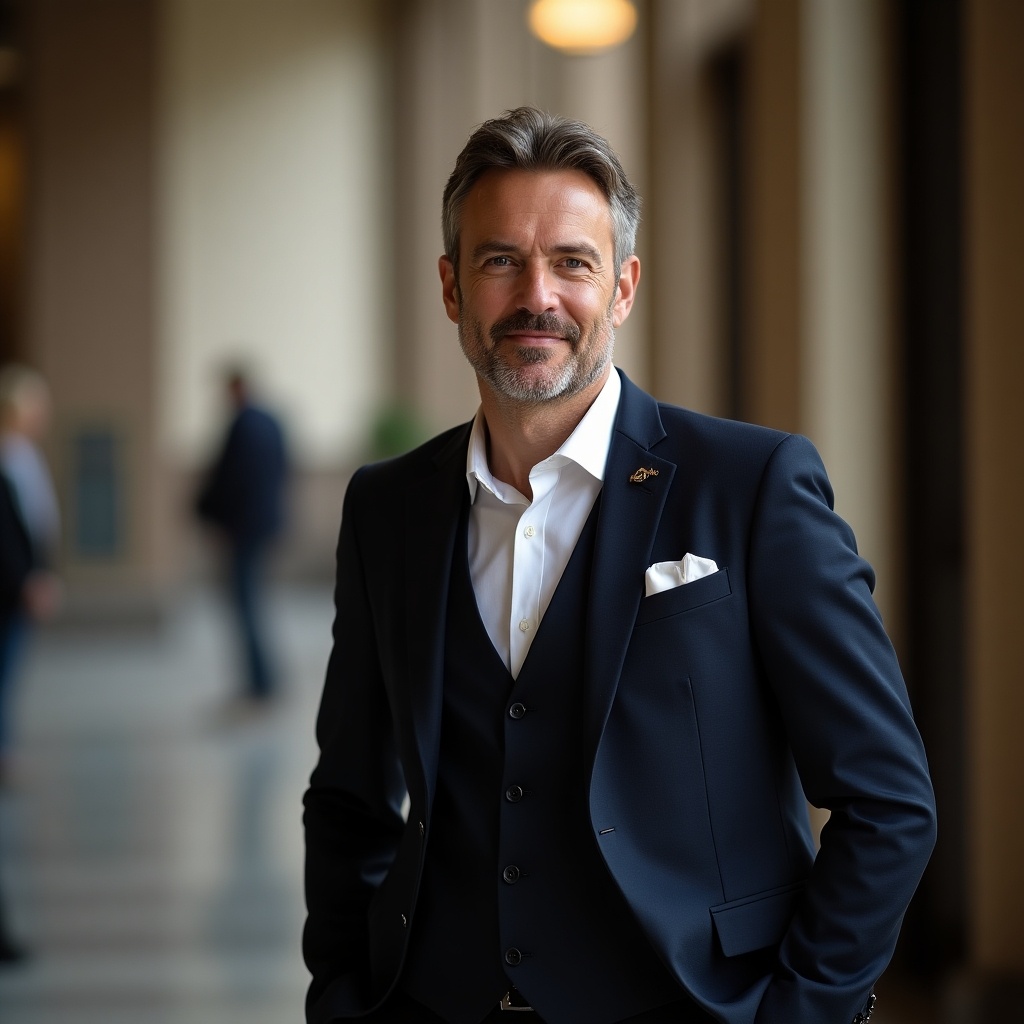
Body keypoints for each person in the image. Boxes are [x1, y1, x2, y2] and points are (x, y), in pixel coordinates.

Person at [303, 107, 936, 1024]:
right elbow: (351, 795)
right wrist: (343, 996)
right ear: (450, 287)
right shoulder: (387, 508)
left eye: (573, 262)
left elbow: (888, 799)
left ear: (625, 287)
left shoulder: (752, 485)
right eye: (498, 261)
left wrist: (801, 1013)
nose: (537, 297)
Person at [196, 367, 288, 707]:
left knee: (246, 603)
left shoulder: (243, 426)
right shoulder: (272, 423)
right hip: (263, 526)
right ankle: (263, 681)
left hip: (243, 529)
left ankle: (260, 684)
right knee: (253, 602)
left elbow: (231, 480)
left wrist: (209, 514)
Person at [0, 364, 61, 783]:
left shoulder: (24, 453)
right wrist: (27, 579)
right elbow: (8, 530)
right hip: (10, 584)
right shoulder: (8, 455)